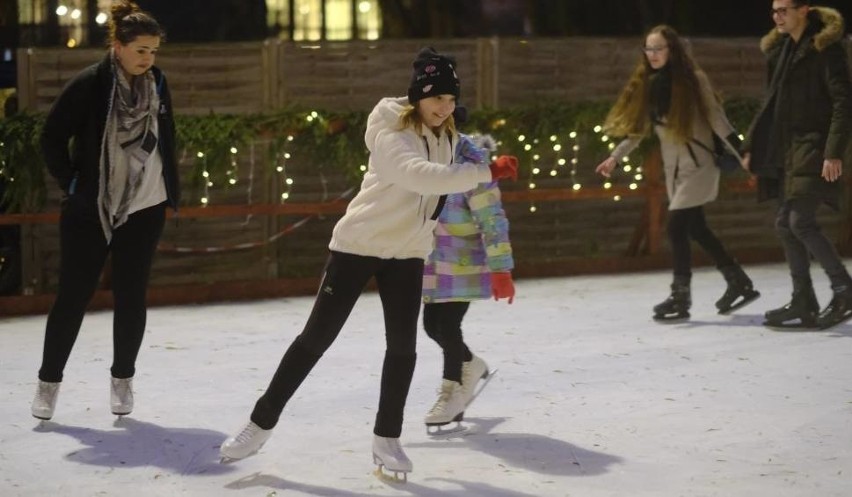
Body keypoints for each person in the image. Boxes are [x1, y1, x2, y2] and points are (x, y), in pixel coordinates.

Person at [219, 47, 519, 481]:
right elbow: (417, 175)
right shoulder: (389, 128)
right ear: (417, 95)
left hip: (409, 254)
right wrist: (484, 173)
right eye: (437, 98)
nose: (444, 108)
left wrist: (487, 173)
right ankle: (259, 425)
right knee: (315, 338)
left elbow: (452, 181)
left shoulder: (450, 137)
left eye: (451, 100)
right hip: (359, 245)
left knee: (402, 348)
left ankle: (387, 439)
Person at [32, 0, 179, 421]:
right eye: (140, 51)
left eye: (153, 51)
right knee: (72, 297)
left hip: (145, 206)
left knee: (132, 297)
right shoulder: (90, 84)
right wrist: (75, 186)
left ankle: (122, 380)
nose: (148, 59)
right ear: (118, 46)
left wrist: (166, 186)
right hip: (92, 209)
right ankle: (48, 383)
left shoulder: (159, 83)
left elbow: (165, 136)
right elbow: (51, 138)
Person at [595, 24, 760, 322]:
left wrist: (744, 153)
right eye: (649, 49)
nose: (653, 54)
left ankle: (680, 296)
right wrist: (614, 158)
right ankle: (738, 281)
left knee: (674, 227)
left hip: (698, 165)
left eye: (659, 48)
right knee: (697, 229)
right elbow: (640, 130)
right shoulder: (652, 85)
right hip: (676, 172)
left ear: (673, 50)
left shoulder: (694, 81)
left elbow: (718, 120)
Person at [742, 2, 852, 329]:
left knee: (799, 221)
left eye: (784, 10)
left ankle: (844, 288)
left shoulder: (824, 48)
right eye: (773, 11)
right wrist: (752, 148)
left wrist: (833, 152)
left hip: (814, 146)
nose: (777, 16)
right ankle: (804, 300)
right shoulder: (781, 51)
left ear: (804, 10)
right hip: (787, 150)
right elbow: (770, 105)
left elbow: (843, 103)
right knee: (783, 224)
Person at [421, 133, 514, 433]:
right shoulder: (422, 160)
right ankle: (471, 364)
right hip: (432, 263)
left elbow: (493, 220)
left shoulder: (474, 167)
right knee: (432, 326)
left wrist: (501, 270)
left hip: (463, 262)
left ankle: (453, 393)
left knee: (447, 327)